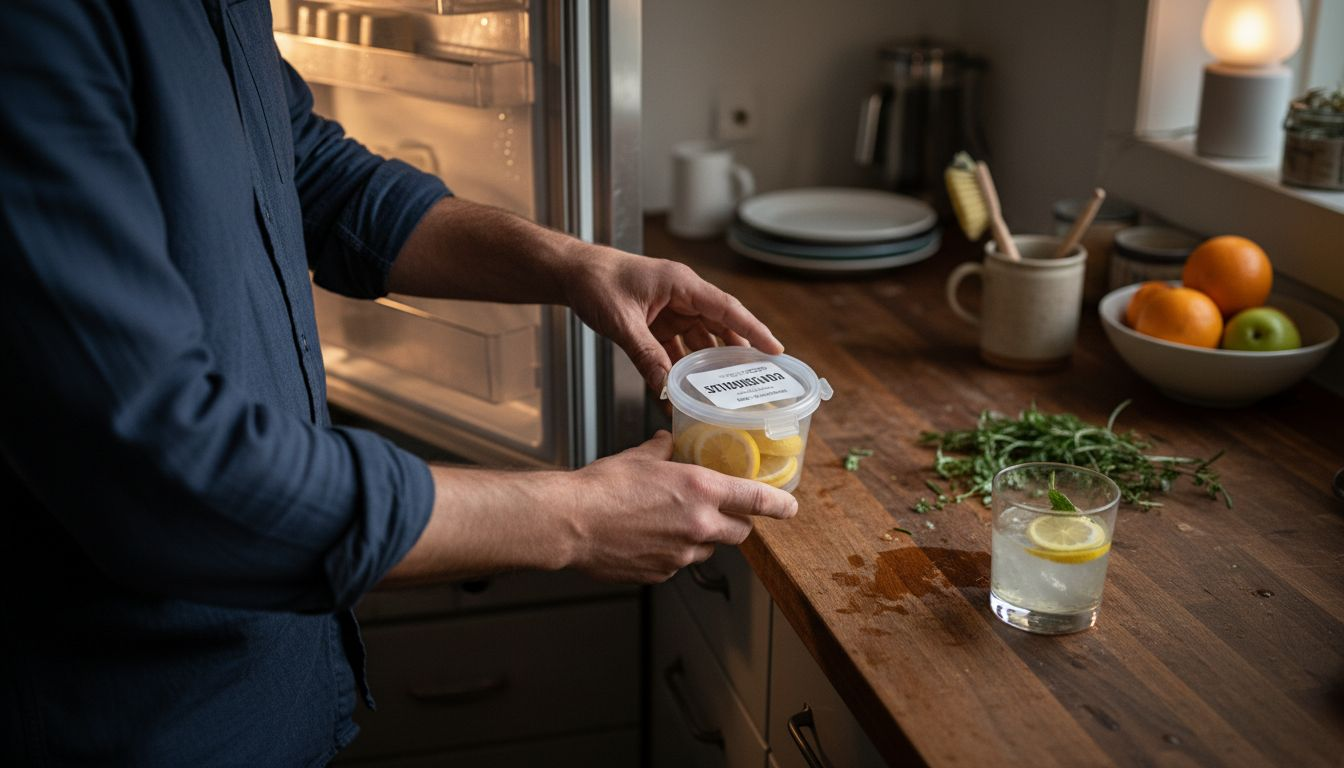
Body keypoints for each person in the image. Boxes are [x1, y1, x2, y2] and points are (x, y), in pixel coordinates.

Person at [0, 2, 796, 764]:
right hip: (126, 714)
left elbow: (305, 168)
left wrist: (574, 265)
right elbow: (173, 474)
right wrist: (577, 518)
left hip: (272, 678)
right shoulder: (37, 30)